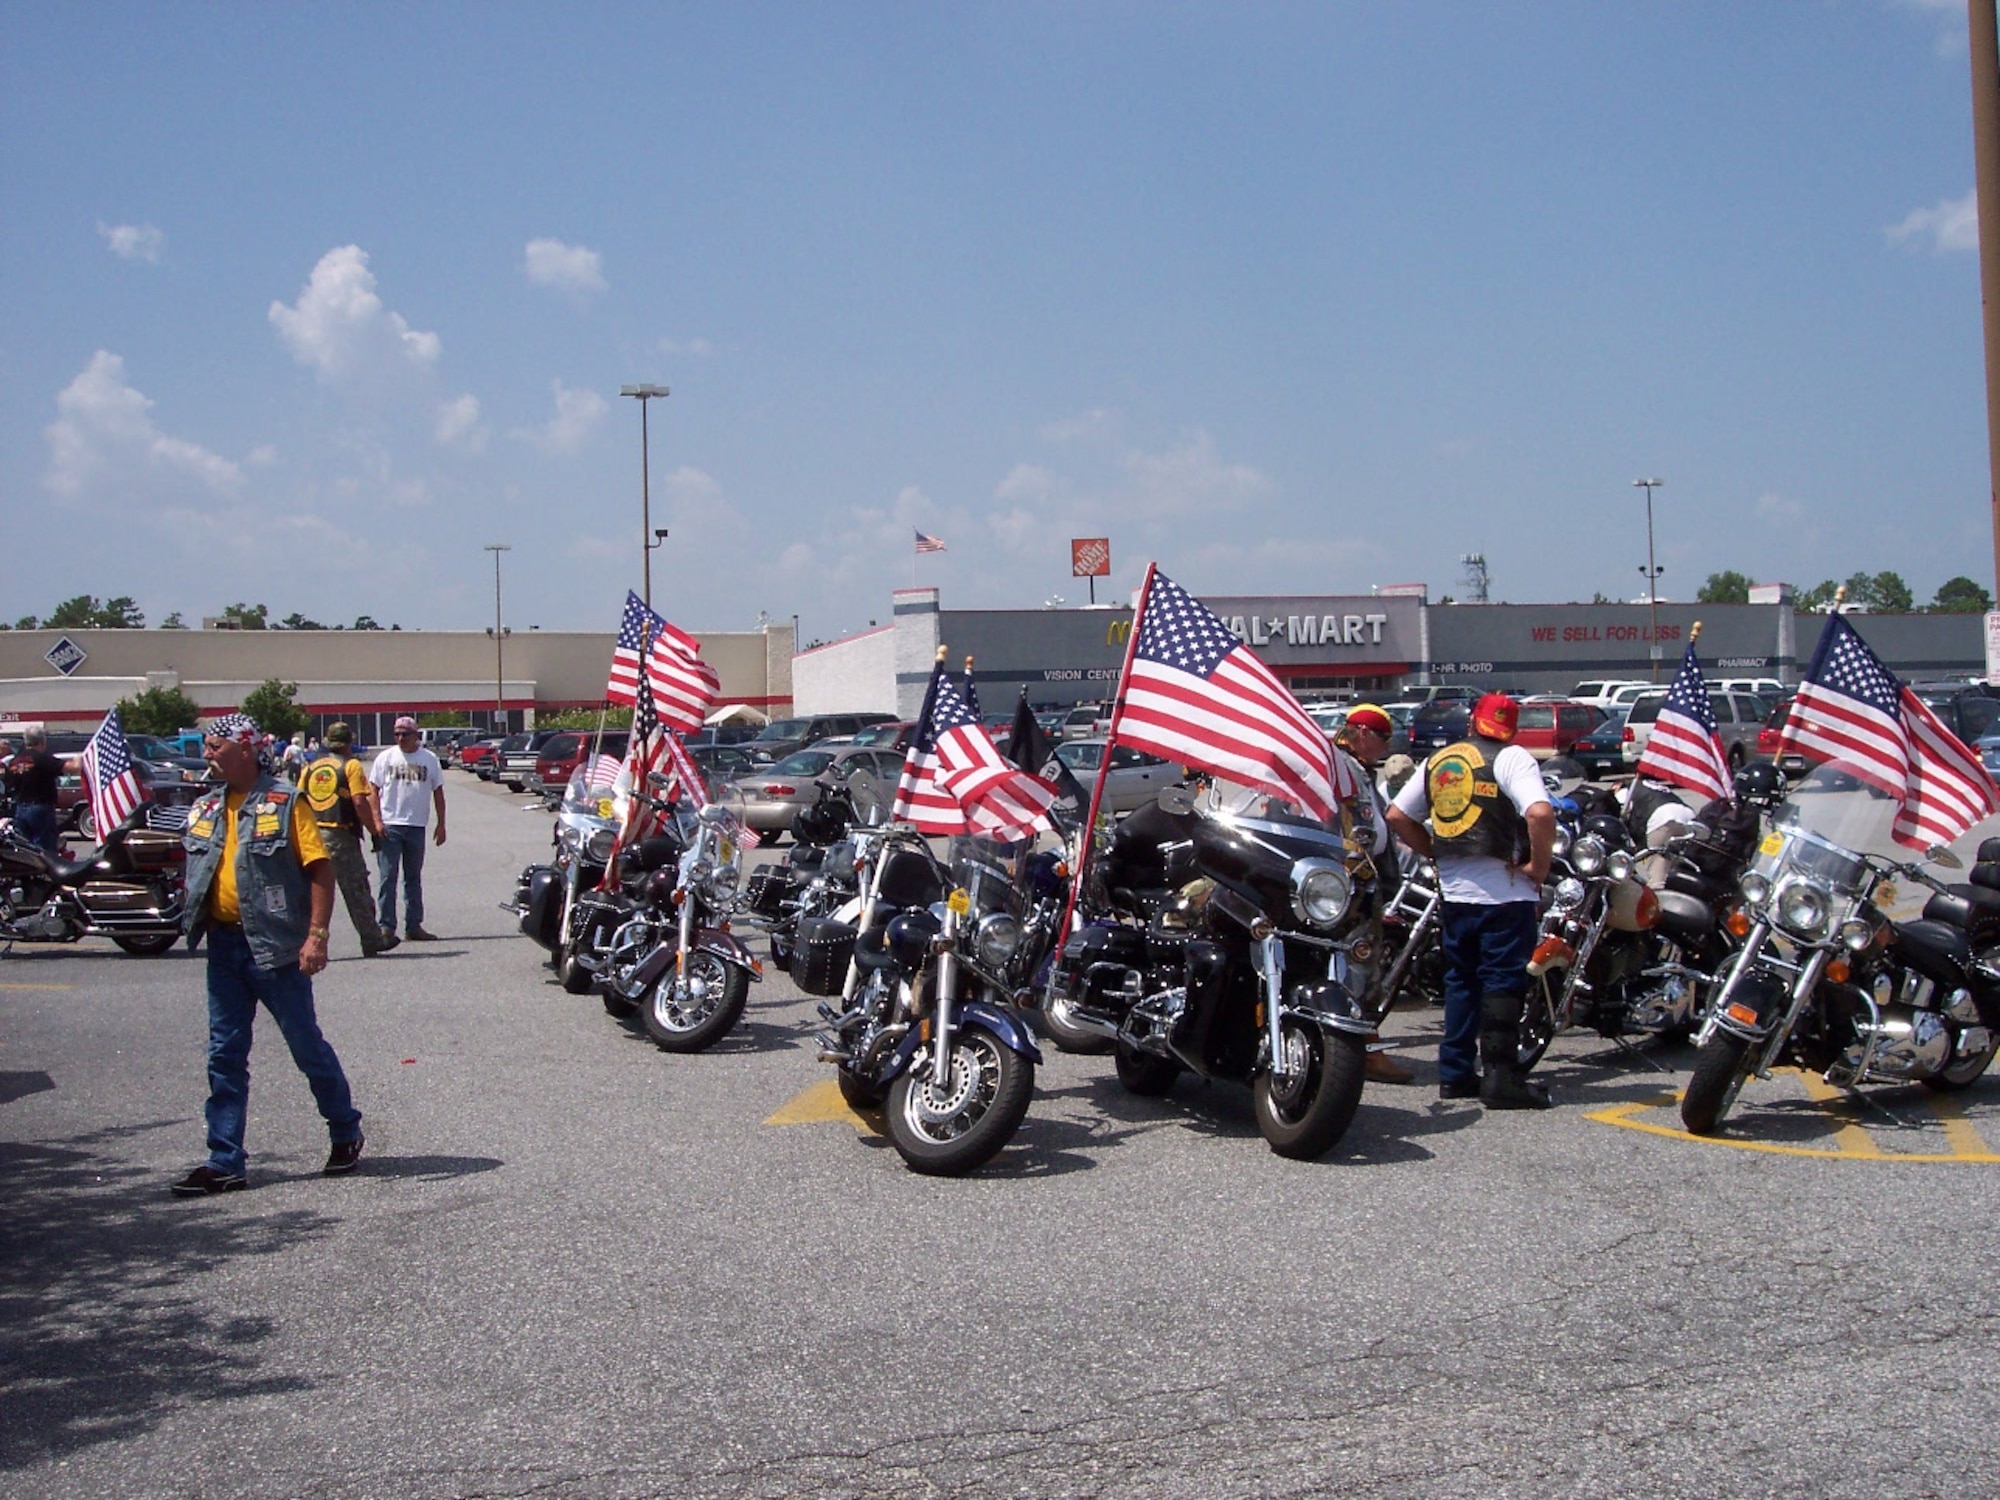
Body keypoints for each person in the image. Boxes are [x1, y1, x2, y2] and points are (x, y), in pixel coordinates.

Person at [172, 713, 362, 1195]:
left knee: (305, 1046)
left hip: (276, 947)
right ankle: (224, 1159)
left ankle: (344, 1130)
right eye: (209, 746)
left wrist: (316, 935)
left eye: (216, 746)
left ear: (244, 749)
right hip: (224, 945)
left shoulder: (284, 801)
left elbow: (321, 870)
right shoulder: (208, 806)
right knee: (225, 1054)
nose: (208, 753)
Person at [1385, 692, 1557, 1110]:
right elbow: (1538, 813)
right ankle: (1500, 1076)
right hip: (1505, 891)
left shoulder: (1438, 761)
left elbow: (1396, 816)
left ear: (1471, 723)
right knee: (1502, 980)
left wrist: (1433, 852)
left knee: (1460, 980)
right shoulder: (1513, 758)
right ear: (1510, 729)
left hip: (1456, 891)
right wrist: (1539, 865)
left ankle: (1455, 1073)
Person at [1333, 704, 1416, 1085]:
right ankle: (1365, 1048)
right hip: (1347, 881)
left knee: (1361, 963)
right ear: (1363, 734)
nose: (1385, 748)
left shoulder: (1357, 768)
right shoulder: (1338, 764)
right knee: (1360, 963)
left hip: (1362, 879)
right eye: (1383, 739)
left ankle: (1360, 1043)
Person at [301, 722, 397, 956]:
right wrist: (374, 829)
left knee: (310, 893)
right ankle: (371, 938)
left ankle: (301, 942)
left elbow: (299, 800)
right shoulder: (351, 766)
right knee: (356, 889)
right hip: (339, 835)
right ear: (348, 743)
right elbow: (359, 802)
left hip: (312, 835)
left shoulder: (311, 767)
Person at [369, 715, 447, 941]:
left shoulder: (429, 759)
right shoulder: (385, 758)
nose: (401, 738)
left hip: (416, 825)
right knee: (387, 877)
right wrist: (376, 821)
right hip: (390, 825)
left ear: (416, 735)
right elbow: (372, 790)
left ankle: (414, 926)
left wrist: (441, 824)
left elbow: (438, 792)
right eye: (397, 734)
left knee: (413, 877)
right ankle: (386, 926)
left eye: (405, 734)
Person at [6, 726, 75, 855]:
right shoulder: (42, 759)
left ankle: (30, 875)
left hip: (20, 809)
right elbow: (73, 768)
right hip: (40, 808)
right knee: (45, 851)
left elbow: (10, 785)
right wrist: (81, 758)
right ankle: (45, 874)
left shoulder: (14, 762)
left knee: (26, 850)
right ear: (42, 741)